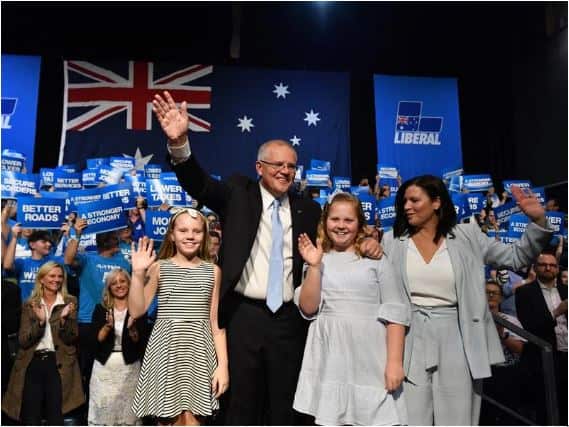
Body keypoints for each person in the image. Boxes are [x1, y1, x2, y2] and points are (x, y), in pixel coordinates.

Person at [152, 90, 382, 424]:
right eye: (278, 164)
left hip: (289, 321)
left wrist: (369, 246)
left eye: (292, 166)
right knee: (241, 407)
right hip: (243, 316)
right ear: (259, 167)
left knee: (285, 410)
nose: (286, 171)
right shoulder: (237, 193)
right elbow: (199, 185)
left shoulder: (308, 208)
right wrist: (179, 144)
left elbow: (334, 240)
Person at [381, 175, 553, 425]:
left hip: (458, 336)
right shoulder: (391, 241)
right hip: (408, 337)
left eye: (415, 200)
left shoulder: (467, 236)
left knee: (457, 418)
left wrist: (537, 221)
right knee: (410, 417)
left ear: (437, 202)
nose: (407, 206)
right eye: (404, 201)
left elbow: (516, 258)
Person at [293, 193, 409, 425]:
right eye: (335, 219)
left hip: (370, 356)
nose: (341, 226)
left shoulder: (376, 259)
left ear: (359, 223)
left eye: (348, 220)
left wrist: (395, 363)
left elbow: (395, 313)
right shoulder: (317, 257)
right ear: (325, 221)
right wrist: (314, 267)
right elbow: (308, 308)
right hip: (330, 356)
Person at [129, 209, 228, 425]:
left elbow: (215, 323)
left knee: (193, 420)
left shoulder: (213, 271)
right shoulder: (159, 268)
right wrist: (137, 274)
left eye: (196, 231)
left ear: (204, 235)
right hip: (166, 350)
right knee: (168, 419)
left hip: (199, 351)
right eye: (183, 230)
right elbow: (137, 311)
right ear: (172, 235)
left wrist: (223, 366)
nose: (190, 236)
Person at [2, 261, 84, 425]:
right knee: (31, 416)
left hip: (59, 363)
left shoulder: (69, 301)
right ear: (42, 279)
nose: (57, 280)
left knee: (56, 416)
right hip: (32, 363)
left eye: (60, 276)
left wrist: (63, 320)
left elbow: (72, 338)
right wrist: (40, 323)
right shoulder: (30, 303)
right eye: (52, 276)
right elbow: (23, 341)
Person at [88, 268, 148, 426]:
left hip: (129, 368)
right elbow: (96, 340)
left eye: (122, 281)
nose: (119, 285)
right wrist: (107, 327)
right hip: (104, 369)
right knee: (104, 416)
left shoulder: (138, 309)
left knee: (127, 416)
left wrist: (132, 329)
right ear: (109, 287)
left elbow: (140, 342)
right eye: (114, 283)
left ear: (129, 284)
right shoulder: (100, 309)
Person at [515, 251, 567, 425]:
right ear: (535, 268)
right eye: (543, 265)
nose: (548, 268)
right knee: (547, 408)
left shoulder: (566, 290)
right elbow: (531, 326)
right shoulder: (524, 292)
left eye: (552, 265)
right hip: (544, 358)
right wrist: (557, 312)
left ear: (558, 269)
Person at [479, 279, 526, 425]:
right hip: (480, 373)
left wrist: (502, 334)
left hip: (506, 373)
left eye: (494, 293)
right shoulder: (471, 321)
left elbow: (520, 349)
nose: (490, 296)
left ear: (500, 297)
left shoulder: (511, 320)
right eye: (486, 292)